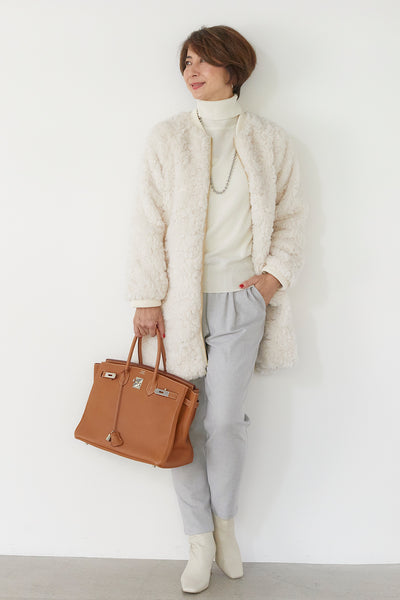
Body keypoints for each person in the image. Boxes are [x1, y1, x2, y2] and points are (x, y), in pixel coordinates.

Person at [126, 25, 307, 594]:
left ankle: (225, 525)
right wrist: (147, 297)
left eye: (203, 61)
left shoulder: (270, 141)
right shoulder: (168, 138)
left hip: (242, 302)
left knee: (224, 423)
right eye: (186, 62)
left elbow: (291, 219)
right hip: (178, 304)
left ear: (234, 68)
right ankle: (198, 540)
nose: (192, 71)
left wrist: (271, 281)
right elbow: (147, 221)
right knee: (179, 423)